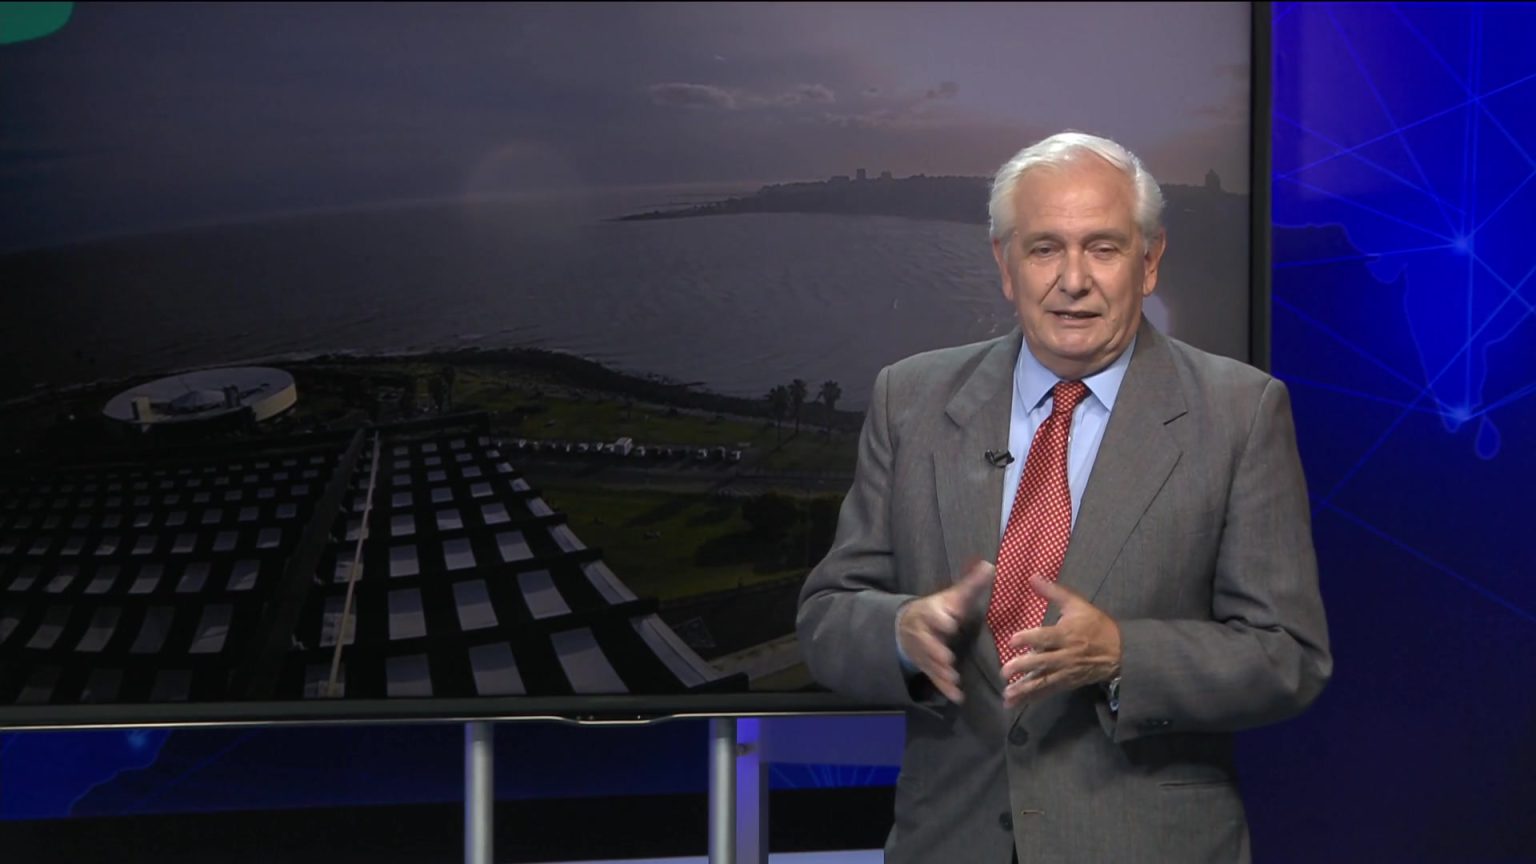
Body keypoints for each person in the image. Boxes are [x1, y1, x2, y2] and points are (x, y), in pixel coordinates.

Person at [796, 131, 1331, 863]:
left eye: (1103, 248)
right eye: (1045, 248)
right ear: (1004, 264)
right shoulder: (910, 399)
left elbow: (1289, 657)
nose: (1072, 280)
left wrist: (1123, 655)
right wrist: (900, 630)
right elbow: (826, 618)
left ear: (1150, 262)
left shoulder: (1240, 413)